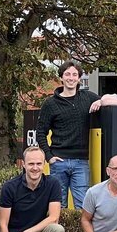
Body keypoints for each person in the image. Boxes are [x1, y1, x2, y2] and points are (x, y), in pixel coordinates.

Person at [36, 61, 101, 209]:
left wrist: (101, 101)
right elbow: (40, 132)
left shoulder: (88, 97)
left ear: (79, 78)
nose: (71, 78)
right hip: (58, 161)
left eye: (74, 74)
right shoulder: (50, 104)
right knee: (58, 205)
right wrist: (49, 156)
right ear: (61, 78)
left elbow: (109, 99)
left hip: (81, 162)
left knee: (83, 206)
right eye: (67, 74)